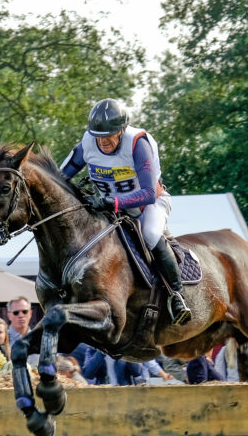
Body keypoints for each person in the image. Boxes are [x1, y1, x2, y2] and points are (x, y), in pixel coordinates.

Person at [59, 98, 191, 325]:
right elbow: (59, 177)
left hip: (147, 206)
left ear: (121, 131)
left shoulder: (138, 145)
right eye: (98, 135)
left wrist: (111, 202)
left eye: (109, 135)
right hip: (109, 209)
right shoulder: (88, 144)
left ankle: (176, 295)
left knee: (150, 234)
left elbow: (148, 193)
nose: (103, 141)